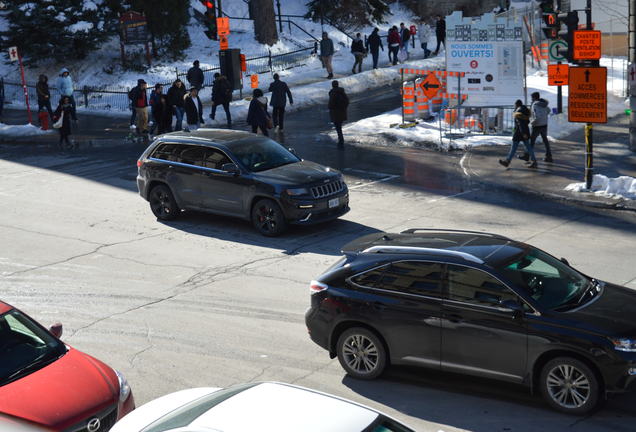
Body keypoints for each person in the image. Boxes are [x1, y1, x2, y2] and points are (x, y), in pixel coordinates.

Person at [499, 100, 537, 169]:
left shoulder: (519, 113)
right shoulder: (525, 111)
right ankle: (534, 161)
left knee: (514, 148)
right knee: (528, 147)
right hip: (524, 132)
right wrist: (525, 133)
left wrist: (523, 133)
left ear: (516, 105)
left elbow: (521, 124)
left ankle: (507, 161)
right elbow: (525, 123)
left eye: (515, 105)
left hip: (519, 133)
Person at [526, 91, 553, 162]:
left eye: (532, 98)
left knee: (531, 141)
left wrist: (532, 122)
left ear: (534, 98)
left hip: (537, 126)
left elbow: (537, 116)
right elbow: (548, 110)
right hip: (544, 124)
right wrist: (544, 116)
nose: (531, 99)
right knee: (545, 140)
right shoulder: (544, 104)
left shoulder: (535, 105)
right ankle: (549, 156)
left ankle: (529, 157)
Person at [328, 80, 349, 149]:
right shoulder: (342, 92)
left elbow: (331, 104)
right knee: (339, 126)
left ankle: (341, 139)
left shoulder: (332, 93)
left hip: (335, 113)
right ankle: (341, 138)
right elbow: (347, 101)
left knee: (338, 127)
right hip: (342, 112)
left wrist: (330, 107)